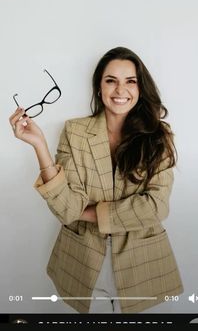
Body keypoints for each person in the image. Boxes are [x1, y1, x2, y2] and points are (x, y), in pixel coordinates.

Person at [9, 46, 184, 314]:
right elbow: (65, 208)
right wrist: (40, 146)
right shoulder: (75, 132)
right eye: (110, 80)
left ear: (140, 88)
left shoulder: (159, 135)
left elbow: (156, 207)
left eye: (130, 81)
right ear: (99, 88)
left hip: (144, 267)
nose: (120, 90)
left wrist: (90, 214)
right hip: (83, 265)